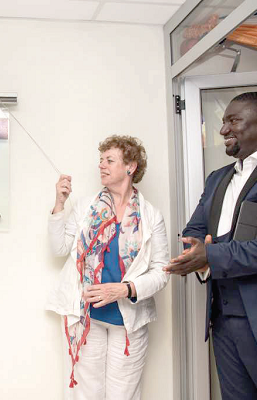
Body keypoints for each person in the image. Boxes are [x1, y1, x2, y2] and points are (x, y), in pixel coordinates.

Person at [165, 92, 257, 399]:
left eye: (233, 121)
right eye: (223, 122)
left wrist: (213, 255)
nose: (223, 130)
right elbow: (194, 231)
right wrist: (196, 256)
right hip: (222, 322)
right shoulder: (217, 178)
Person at [46, 135, 169, 400]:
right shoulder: (85, 207)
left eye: (109, 160)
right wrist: (59, 204)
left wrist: (124, 290)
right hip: (86, 316)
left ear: (130, 166)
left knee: (123, 395)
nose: (101, 165)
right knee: (85, 394)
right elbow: (58, 249)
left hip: (128, 320)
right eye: (100, 160)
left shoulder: (150, 215)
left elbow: (161, 272)